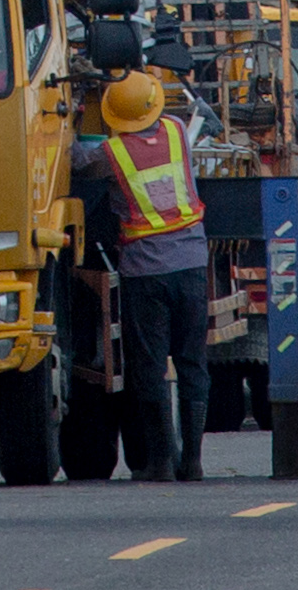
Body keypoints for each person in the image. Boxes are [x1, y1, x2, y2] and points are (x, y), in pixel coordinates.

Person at [68, 71, 210, 480]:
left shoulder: (111, 154)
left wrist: (72, 117)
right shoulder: (178, 131)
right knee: (192, 362)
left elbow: (76, 162)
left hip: (145, 271)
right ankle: (193, 461)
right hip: (192, 262)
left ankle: (161, 462)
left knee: (150, 366)